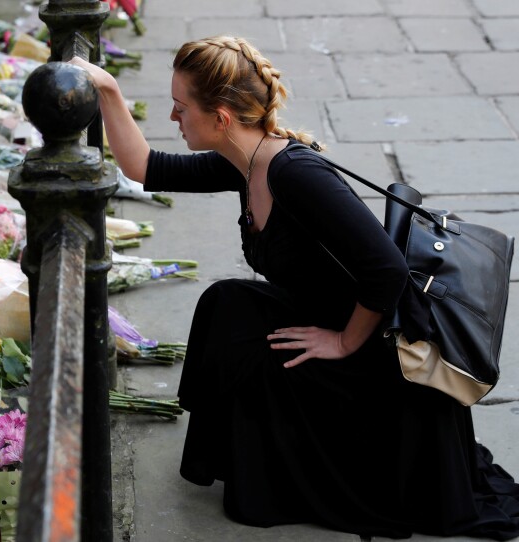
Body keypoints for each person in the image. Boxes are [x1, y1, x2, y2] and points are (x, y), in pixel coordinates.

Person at [71, 36, 519, 540]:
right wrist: (107, 91)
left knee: (244, 322)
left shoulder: (296, 173)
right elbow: (145, 167)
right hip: (327, 310)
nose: (173, 118)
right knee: (228, 306)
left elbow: (387, 271)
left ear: (221, 117)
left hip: (379, 351)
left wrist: (343, 341)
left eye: (180, 108)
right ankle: (252, 457)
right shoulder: (242, 160)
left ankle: (295, 471)